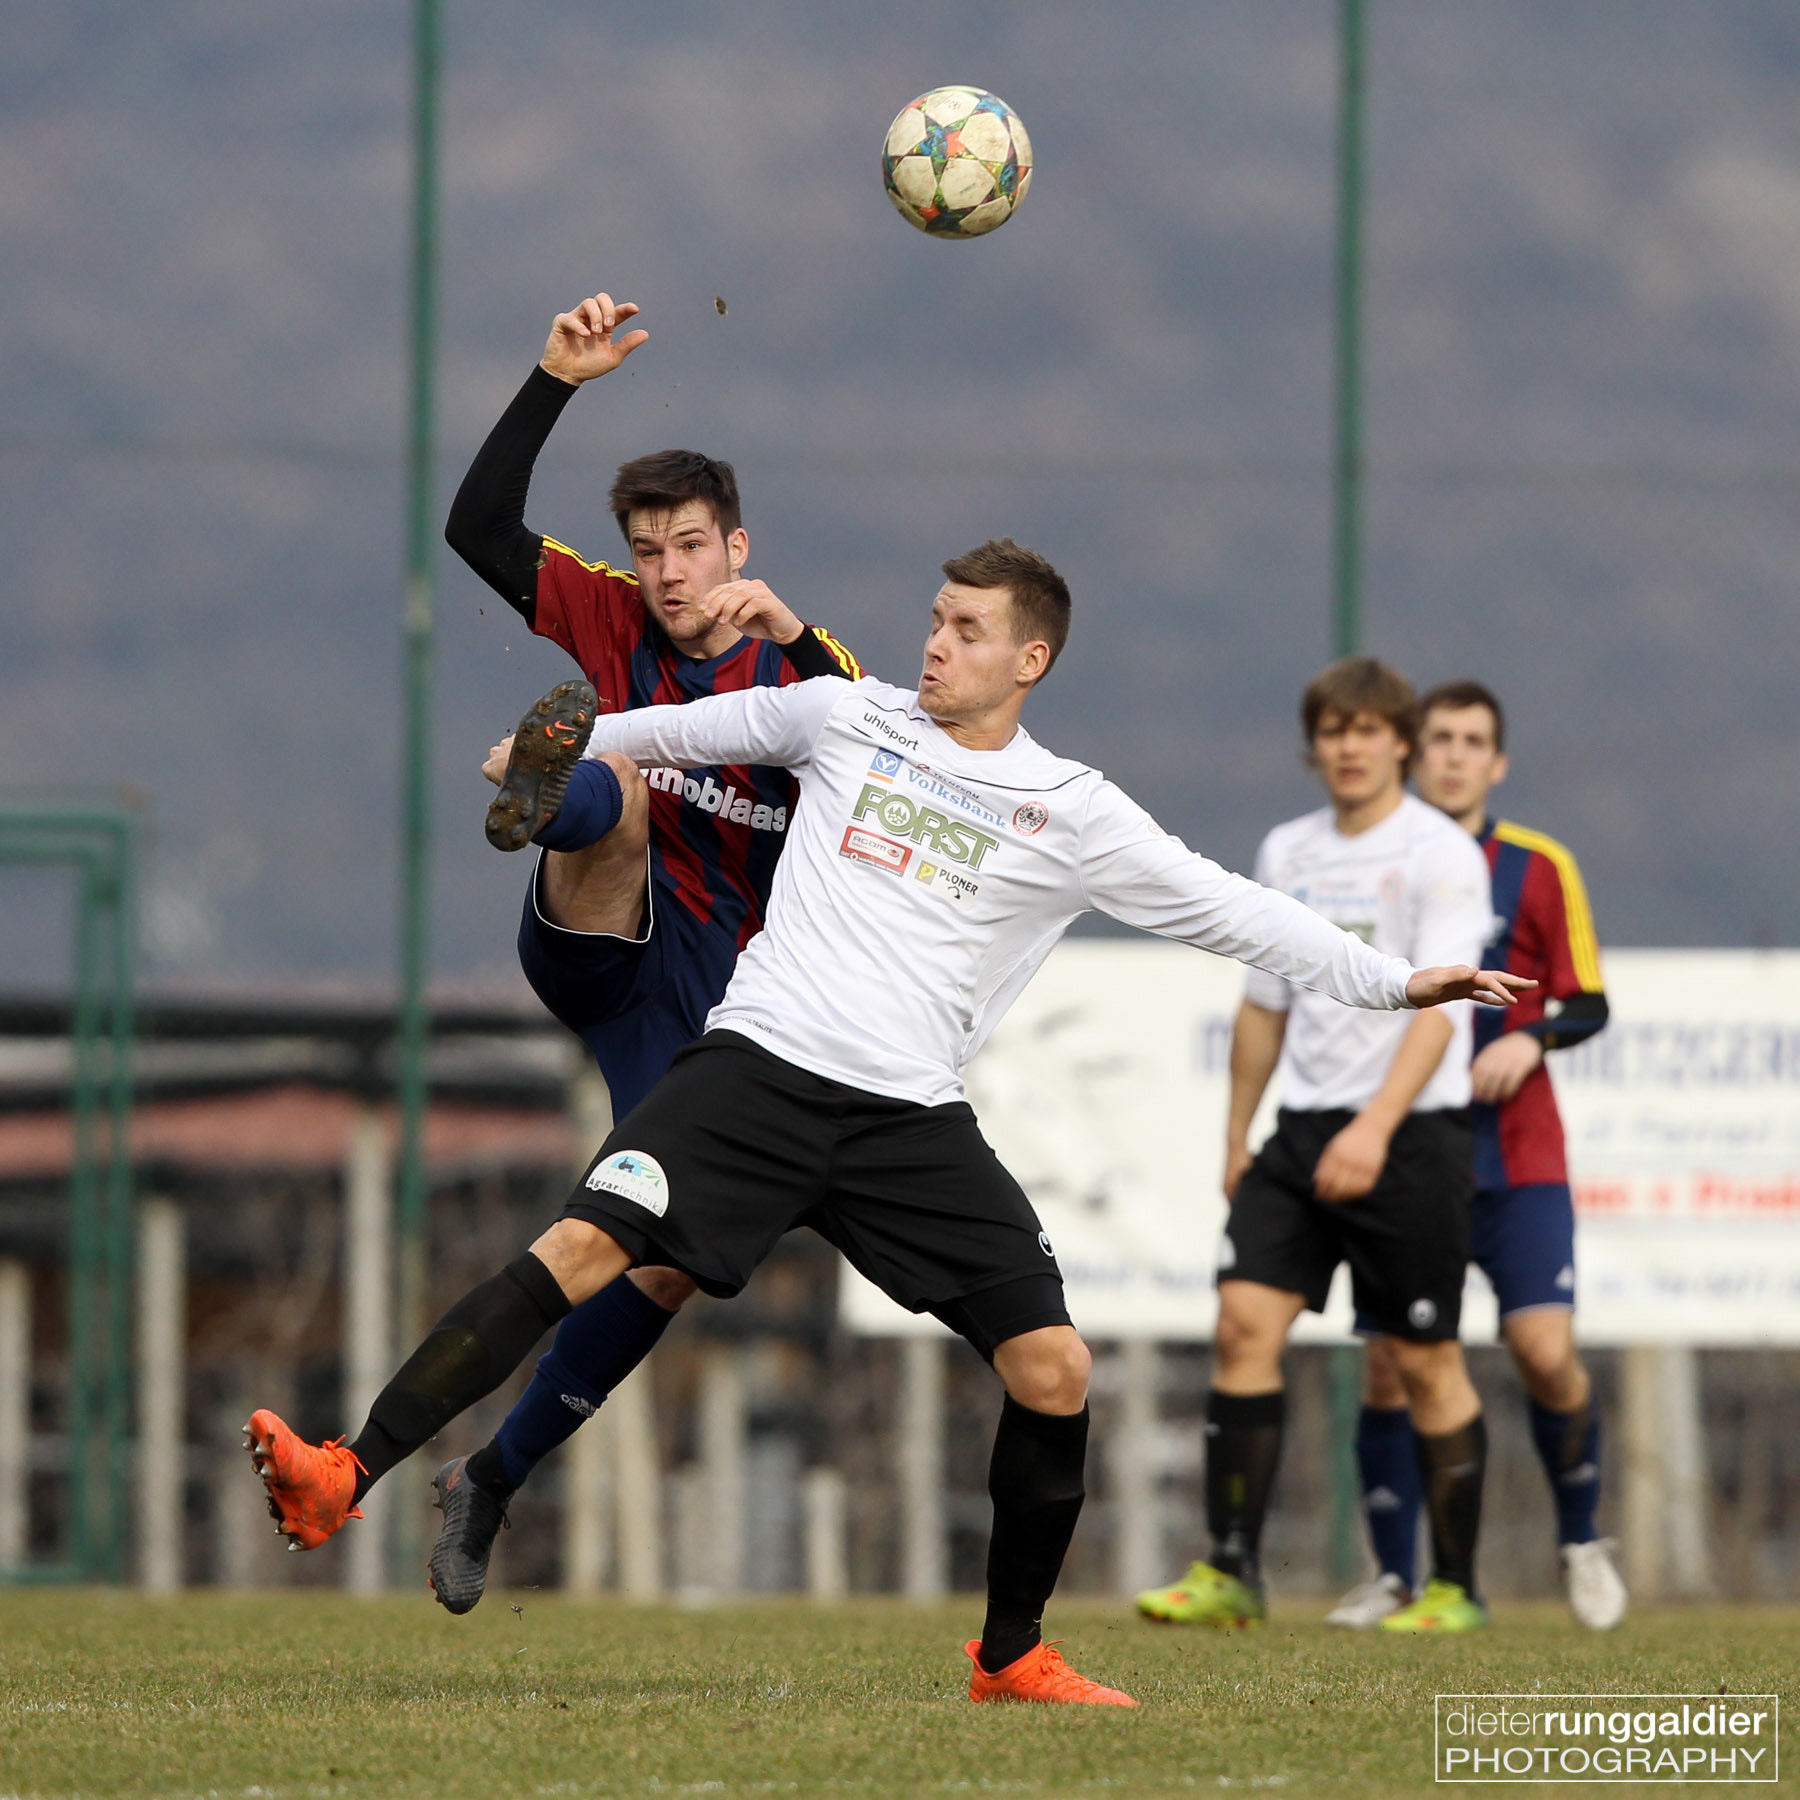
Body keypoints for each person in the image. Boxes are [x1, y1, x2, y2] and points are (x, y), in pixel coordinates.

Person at [245, 544, 1528, 1706]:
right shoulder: (844, 715)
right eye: (932, 619)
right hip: (753, 1072)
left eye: (966, 630)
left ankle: (1012, 1653)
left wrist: (1392, 980)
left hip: (907, 1117)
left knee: (1056, 1371)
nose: (934, 644)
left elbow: (1228, 907)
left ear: (1029, 660)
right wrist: (556, 755)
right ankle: (344, 1474)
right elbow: (686, 728)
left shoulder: (1072, 808)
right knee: (585, 1251)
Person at [432, 289, 862, 1612]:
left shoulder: (806, 673)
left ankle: (491, 1480)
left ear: (738, 546)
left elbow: (861, 727)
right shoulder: (614, 617)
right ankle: (544, 788)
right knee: (611, 788)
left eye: (690, 547)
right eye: (649, 549)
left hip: (701, 1014)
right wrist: (551, 381)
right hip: (594, 928)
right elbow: (475, 530)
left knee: (661, 1260)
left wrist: (789, 637)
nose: (669, 573)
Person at [1136, 657, 1499, 1635]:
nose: (1349, 746)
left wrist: (1376, 1129)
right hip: (1298, 1136)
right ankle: (1232, 1571)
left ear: (1401, 744)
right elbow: (1264, 1005)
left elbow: (1440, 1009)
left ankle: (1454, 1588)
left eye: (1368, 730)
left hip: (1410, 1134)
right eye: (1333, 731)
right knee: (1241, 1328)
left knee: (1422, 1360)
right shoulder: (1287, 850)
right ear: (1317, 746)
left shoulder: (1440, 854)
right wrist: (1235, 1134)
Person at [1328, 679, 1622, 1631]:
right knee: (1390, 1364)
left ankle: (1580, 1540)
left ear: (1496, 763)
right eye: (1441, 738)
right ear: (1415, 753)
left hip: (1518, 1161)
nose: (1454, 755)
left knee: (1544, 1351)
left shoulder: (1537, 867)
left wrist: (1528, 1039)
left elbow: (1586, 1000)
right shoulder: (1375, 861)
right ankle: (1395, 1576)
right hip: (1417, 1155)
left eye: (1473, 742)